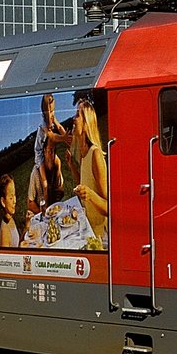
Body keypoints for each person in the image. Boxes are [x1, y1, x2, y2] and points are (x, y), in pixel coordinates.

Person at [69, 99, 108, 245]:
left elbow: (109, 208)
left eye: (77, 115)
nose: (73, 118)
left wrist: (90, 195)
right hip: (86, 226)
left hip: (99, 235)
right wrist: (71, 165)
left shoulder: (95, 155)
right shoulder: (83, 153)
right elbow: (83, 183)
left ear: (86, 124)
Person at [32, 94, 67, 211]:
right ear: (44, 112)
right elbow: (52, 137)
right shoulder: (43, 125)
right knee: (45, 185)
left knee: (58, 163)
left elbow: (60, 128)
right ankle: (47, 210)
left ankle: (56, 204)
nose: (51, 114)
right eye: (49, 111)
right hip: (40, 154)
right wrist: (63, 138)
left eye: (53, 110)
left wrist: (66, 135)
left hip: (49, 151)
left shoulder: (52, 117)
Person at [0, 173, 20, 248]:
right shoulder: (5, 232)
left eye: (14, 195)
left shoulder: (11, 219)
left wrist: (26, 226)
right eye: (11, 198)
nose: (15, 201)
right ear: (3, 202)